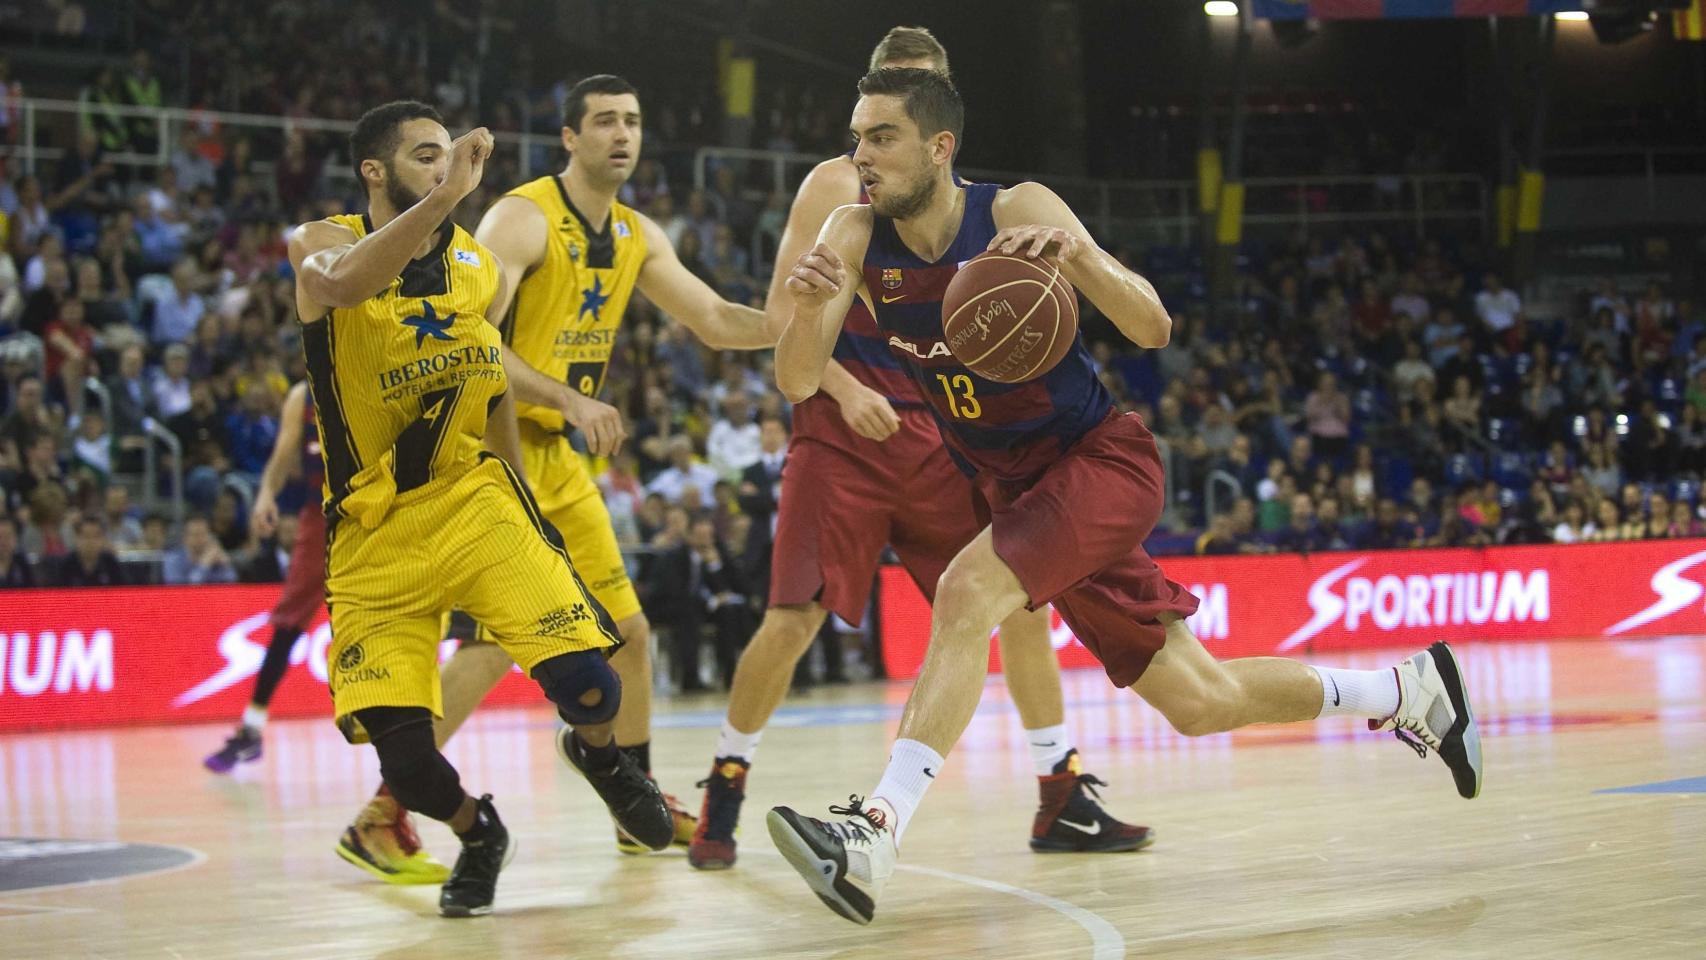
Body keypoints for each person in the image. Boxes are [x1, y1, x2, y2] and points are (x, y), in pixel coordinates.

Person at [764, 68, 1482, 925]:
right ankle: (1410, 693)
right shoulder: (852, 232)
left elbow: (1152, 325)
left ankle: (875, 832)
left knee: (965, 593)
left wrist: (1080, 259)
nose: (861, 156)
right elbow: (799, 379)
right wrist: (808, 314)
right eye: (857, 137)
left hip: (1098, 461)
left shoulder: (1017, 209)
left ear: (939, 146)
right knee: (1198, 701)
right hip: (1014, 486)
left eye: (880, 136)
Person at [689, 28, 1149, 873]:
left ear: (940, 123)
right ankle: (727, 776)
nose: (872, 145)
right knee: (794, 614)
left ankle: (1060, 788)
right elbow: (778, 320)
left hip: (939, 429)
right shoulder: (837, 193)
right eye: (871, 118)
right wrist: (842, 386)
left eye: (905, 105)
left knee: (1013, 605)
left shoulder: (976, 202)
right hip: (844, 424)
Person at [359, 74, 775, 860]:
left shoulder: (637, 234)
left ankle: (635, 804)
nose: (624, 134)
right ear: (570, 139)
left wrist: (800, 326)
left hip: (561, 465)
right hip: (490, 451)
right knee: (492, 647)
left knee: (629, 634)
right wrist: (570, 399)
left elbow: (717, 321)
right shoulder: (520, 217)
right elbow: (466, 340)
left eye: (635, 120)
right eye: (606, 121)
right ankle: (384, 809)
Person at [288, 100, 669, 917]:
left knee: (593, 684)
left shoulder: (474, 268)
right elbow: (351, 283)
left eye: (448, 155)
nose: (443, 165)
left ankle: (602, 759)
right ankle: (478, 829)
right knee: (411, 767)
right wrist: (442, 198)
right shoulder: (318, 245)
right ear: (375, 171)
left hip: (473, 500)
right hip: (371, 533)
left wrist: (518, 490)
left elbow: (488, 377)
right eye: (425, 156)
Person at [53, 515, 124, 586]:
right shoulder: (65, 564)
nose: (91, 541)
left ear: (103, 539)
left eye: (96, 536)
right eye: (86, 536)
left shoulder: (110, 562)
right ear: (77, 538)